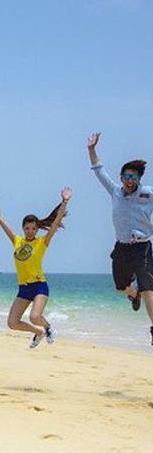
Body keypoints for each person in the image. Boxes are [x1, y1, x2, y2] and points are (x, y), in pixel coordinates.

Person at [88, 132, 153, 345]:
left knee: (148, 289)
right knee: (120, 288)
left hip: (142, 248)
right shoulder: (115, 191)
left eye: (133, 177)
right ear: (121, 177)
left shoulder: (148, 193)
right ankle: (132, 294)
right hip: (121, 248)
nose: (129, 181)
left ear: (139, 179)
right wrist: (91, 149)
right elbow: (99, 171)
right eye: (126, 177)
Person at [0, 187, 72, 348]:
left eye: (33, 228)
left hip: (39, 286)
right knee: (12, 323)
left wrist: (65, 202)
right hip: (23, 288)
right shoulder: (17, 241)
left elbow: (55, 222)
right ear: (23, 228)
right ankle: (38, 332)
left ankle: (48, 328)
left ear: (37, 229)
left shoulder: (42, 242)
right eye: (27, 228)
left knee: (34, 316)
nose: (30, 231)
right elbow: (1, 221)